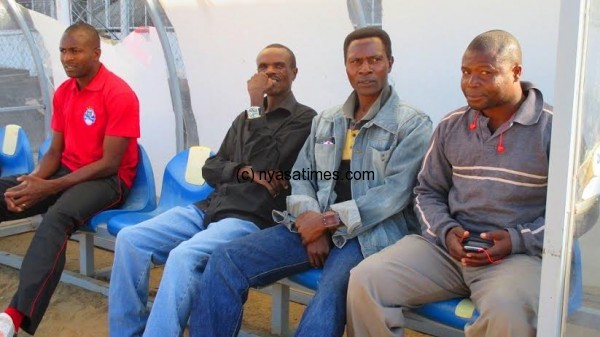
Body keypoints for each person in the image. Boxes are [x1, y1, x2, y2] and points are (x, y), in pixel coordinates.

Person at [189, 27, 433, 337]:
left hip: (367, 232)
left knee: (332, 290)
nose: (365, 68)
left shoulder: (408, 123)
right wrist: (308, 218)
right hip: (302, 222)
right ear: (346, 66)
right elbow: (301, 175)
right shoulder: (324, 120)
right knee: (226, 258)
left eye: (375, 60)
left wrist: (326, 222)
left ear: (390, 63)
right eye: (356, 62)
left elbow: (392, 195)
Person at [346, 30, 552, 337]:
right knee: (365, 280)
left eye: (485, 73)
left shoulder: (553, 130)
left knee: (507, 311)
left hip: (515, 259)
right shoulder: (452, 125)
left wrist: (516, 239)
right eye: (466, 72)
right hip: (446, 251)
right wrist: (446, 231)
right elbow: (426, 191)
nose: (471, 82)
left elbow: (576, 213)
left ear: (516, 72)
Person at [108, 43, 316, 337]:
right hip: (209, 208)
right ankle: (127, 332)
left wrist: (255, 104)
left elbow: (268, 162)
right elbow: (211, 167)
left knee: (184, 256)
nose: (269, 72)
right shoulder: (243, 120)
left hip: (250, 218)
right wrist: (242, 171)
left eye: (278, 66)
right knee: (131, 239)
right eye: (262, 67)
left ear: (294, 72)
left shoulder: (305, 120)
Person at [0, 22, 140, 337]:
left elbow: (110, 163)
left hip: (110, 181)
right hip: (67, 172)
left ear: (96, 53)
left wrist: (49, 188)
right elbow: (53, 152)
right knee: (4, 191)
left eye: (75, 50)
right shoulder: (64, 92)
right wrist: (33, 182)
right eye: (63, 50)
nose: (67, 57)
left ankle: (14, 315)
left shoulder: (119, 94)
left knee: (57, 217)